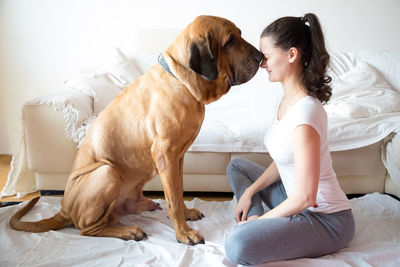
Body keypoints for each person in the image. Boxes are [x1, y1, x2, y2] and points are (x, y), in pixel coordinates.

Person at [224, 13, 355, 265]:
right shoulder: (285, 101)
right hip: (294, 199)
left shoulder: (307, 113)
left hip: (326, 219)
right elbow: (285, 159)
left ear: (291, 55)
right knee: (237, 166)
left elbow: (307, 196)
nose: (262, 64)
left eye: (267, 56)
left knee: (238, 244)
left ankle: (253, 223)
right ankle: (253, 217)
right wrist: (250, 193)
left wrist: (261, 223)